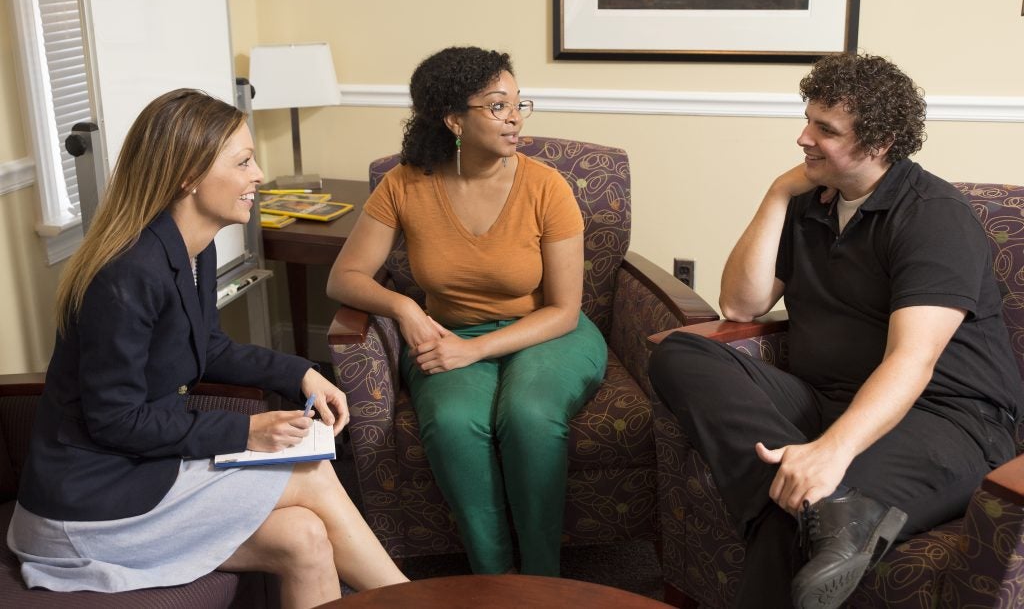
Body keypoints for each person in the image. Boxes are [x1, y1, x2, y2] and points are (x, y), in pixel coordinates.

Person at [7, 89, 408, 609]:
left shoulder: (192, 247)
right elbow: (115, 421)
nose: (259, 175)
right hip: (88, 503)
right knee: (310, 474)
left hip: (138, 471)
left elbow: (207, 346)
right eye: (243, 162)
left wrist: (302, 374)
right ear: (188, 176)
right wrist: (247, 429)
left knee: (304, 539)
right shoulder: (125, 275)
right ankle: (417, 600)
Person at [649, 53, 1023, 609]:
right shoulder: (808, 204)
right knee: (681, 353)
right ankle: (825, 506)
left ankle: (815, 504)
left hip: (948, 418)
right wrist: (777, 193)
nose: (803, 137)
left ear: (879, 141)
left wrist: (829, 454)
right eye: (807, 120)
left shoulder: (933, 216)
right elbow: (740, 301)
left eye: (825, 129)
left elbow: (911, 362)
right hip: (826, 398)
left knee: (792, 510)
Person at [326, 46, 607, 576]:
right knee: (453, 422)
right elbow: (345, 276)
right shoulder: (406, 183)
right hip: (447, 332)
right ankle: (494, 583)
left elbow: (566, 310)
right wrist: (404, 307)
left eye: (520, 104)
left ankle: (543, 582)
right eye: (498, 106)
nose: (515, 118)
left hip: (547, 333)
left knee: (528, 416)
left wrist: (472, 349)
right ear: (455, 119)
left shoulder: (546, 185)